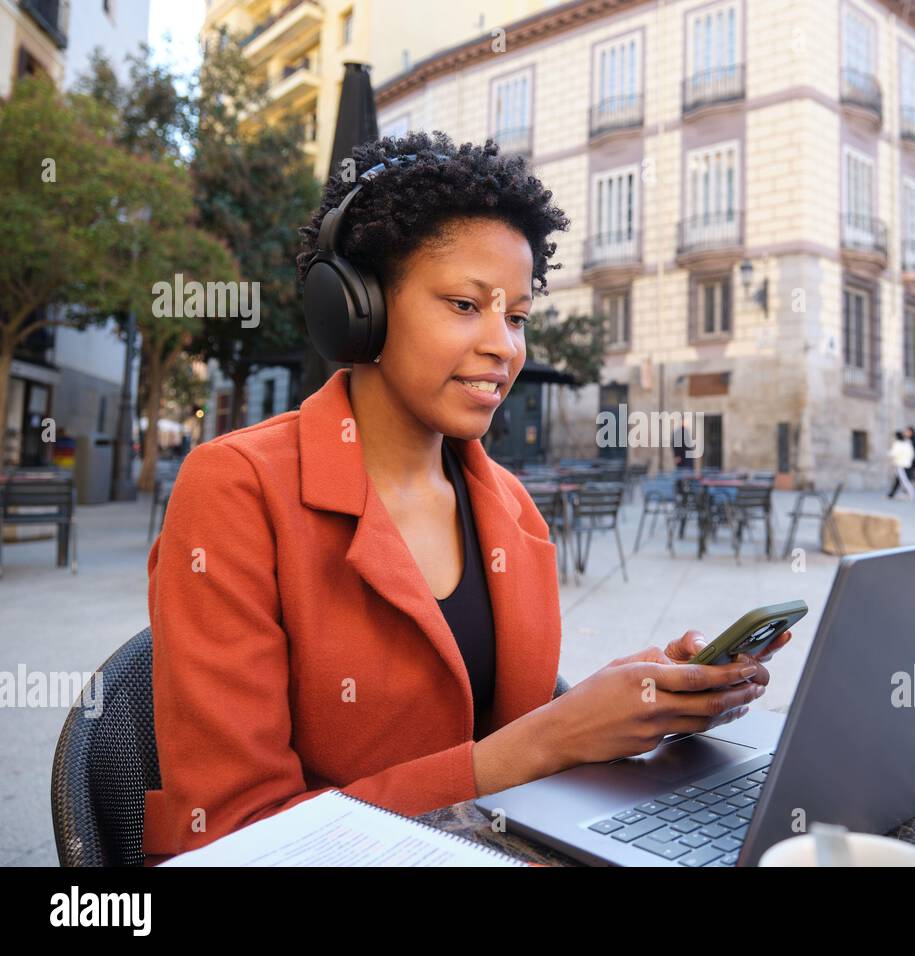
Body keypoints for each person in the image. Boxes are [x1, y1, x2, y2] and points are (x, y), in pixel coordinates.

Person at [141, 131, 794, 859]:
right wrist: (543, 743)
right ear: (358, 308)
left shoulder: (509, 507)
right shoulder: (236, 491)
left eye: (515, 316)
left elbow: (511, 716)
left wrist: (639, 696)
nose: (504, 346)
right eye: (463, 305)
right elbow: (235, 835)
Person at [887, 430, 915, 500]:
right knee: (898, 480)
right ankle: (891, 495)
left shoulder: (898, 444)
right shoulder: (907, 443)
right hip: (907, 464)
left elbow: (894, 454)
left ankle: (912, 495)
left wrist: (888, 453)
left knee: (905, 481)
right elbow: (912, 455)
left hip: (901, 465)